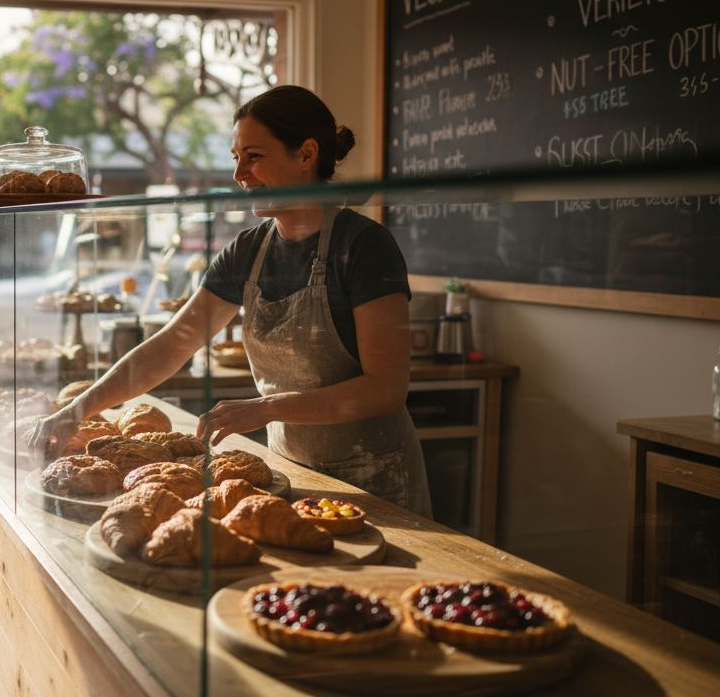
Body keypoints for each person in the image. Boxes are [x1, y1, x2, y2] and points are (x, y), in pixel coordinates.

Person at [35, 85, 431, 516]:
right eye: (236, 157)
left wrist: (266, 408)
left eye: (254, 156)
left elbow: (385, 390)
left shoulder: (364, 246)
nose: (240, 174)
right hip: (294, 473)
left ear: (306, 154)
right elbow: (170, 346)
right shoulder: (247, 251)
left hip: (375, 480)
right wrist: (77, 409)